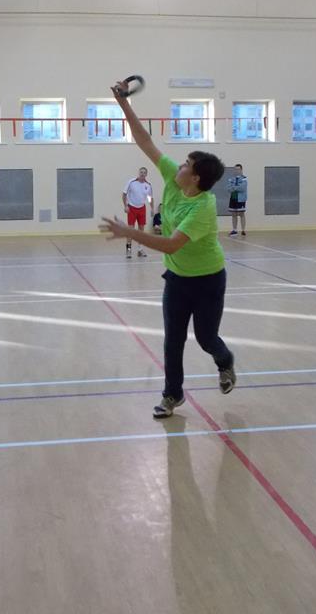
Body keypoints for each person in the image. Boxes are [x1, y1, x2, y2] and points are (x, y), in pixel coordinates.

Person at [99, 79, 235, 419]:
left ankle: (225, 361)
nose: (180, 165)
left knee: (206, 339)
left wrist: (129, 232)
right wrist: (123, 102)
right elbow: (144, 140)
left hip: (208, 280)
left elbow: (172, 244)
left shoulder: (202, 207)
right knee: (172, 340)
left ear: (197, 178)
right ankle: (172, 395)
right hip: (177, 279)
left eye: (187, 164)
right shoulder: (175, 179)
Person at [122, 167, 153, 258]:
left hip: (142, 209)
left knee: (141, 230)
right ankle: (128, 251)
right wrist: (125, 206)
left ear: (146, 174)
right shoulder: (131, 182)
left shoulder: (148, 185)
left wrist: (152, 208)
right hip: (131, 208)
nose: (142, 174)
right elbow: (124, 194)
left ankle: (140, 250)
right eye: (141, 172)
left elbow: (149, 198)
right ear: (139, 173)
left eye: (144, 172)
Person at [228, 164, 248, 237]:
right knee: (234, 214)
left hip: (241, 199)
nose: (237, 171)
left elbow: (242, 188)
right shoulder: (231, 179)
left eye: (238, 169)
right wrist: (236, 187)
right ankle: (234, 230)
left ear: (241, 170)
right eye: (235, 169)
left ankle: (243, 230)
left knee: (241, 214)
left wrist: (234, 187)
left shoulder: (244, 179)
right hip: (233, 198)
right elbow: (229, 188)